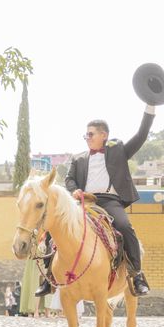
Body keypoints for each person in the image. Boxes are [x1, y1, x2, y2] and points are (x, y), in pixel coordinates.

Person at [35, 105, 157, 297]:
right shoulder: (78, 158)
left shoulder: (118, 151)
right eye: (86, 135)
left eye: (91, 134)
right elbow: (69, 179)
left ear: (104, 135)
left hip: (110, 202)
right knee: (54, 227)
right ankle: (49, 278)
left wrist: (150, 107)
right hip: (85, 202)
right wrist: (74, 190)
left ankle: (137, 275)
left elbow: (141, 135)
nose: (87, 138)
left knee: (125, 227)